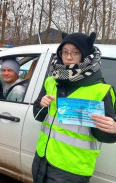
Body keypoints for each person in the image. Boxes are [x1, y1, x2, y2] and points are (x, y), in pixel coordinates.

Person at [32, 32, 116, 183]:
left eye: (75, 53)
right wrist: (41, 104)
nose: (68, 57)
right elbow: (37, 115)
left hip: (71, 170)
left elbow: (105, 136)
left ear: (85, 55)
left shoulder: (101, 90)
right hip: (42, 159)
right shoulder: (52, 81)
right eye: (65, 52)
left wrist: (113, 129)